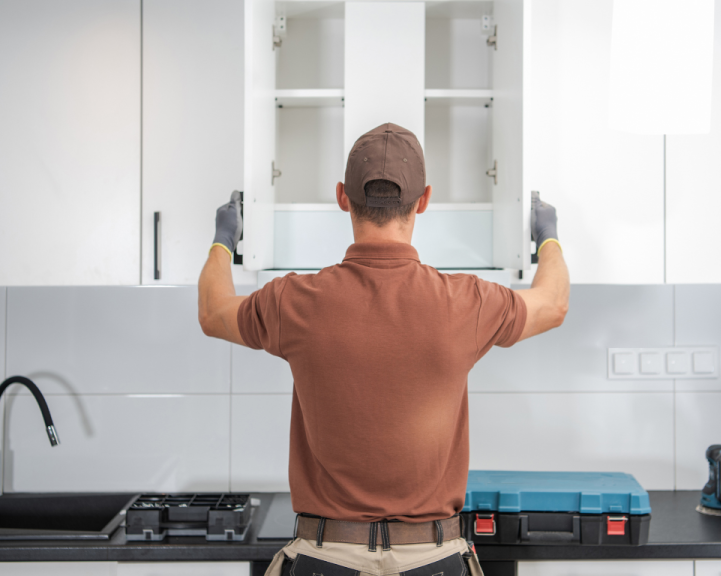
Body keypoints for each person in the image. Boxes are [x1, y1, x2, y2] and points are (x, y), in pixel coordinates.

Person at [198, 123, 569, 576]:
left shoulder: (293, 301)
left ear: (341, 196)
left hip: (325, 557)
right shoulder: (466, 302)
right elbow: (552, 305)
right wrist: (546, 236)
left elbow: (213, 312)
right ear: (424, 199)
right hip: (433, 559)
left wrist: (224, 239)